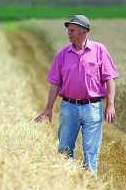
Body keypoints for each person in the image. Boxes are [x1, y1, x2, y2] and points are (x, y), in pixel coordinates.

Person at [34, 15, 118, 177]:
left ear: (84, 32)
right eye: (68, 30)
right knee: (64, 148)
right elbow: (55, 83)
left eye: (72, 30)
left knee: (91, 151)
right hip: (69, 107)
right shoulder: (63, 54)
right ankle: (68, 182)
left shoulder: (99, 50)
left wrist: (111, 104)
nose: (69, 33)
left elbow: (109, 79)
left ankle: (90, 185)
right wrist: (48, 108)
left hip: (93, 107)